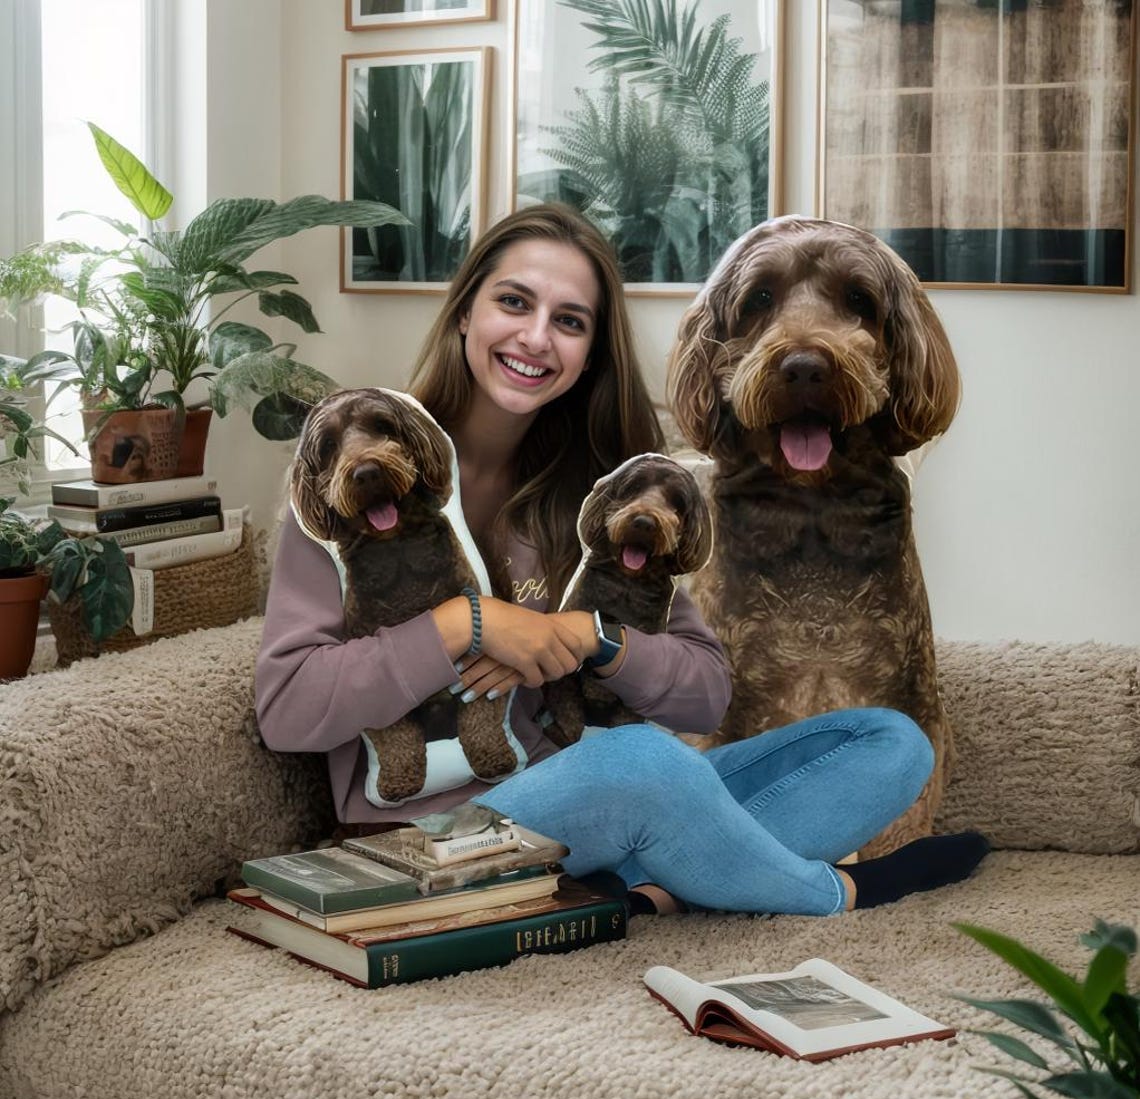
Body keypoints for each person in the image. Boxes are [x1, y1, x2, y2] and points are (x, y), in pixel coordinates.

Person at [255, 203, 988, 917]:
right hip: (431, 838)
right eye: (515, 302)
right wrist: (464, 624)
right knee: (640, 762)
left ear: (589, 352)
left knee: (891, 745)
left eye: (569, 322)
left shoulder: (605, 495)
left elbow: (702, 692)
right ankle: (833, 889)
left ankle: (645, 888)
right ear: (464, 314)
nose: (537, 338)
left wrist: (593, 640)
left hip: (589, 820)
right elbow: (287, 711)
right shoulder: (344, 482)